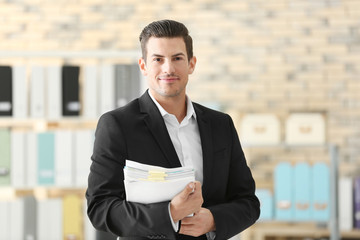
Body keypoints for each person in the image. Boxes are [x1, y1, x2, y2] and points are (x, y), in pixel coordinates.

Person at [86, 19, 260, 240]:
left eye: (177, 58)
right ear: (143, 66)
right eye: (158, 59)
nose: (168, 68)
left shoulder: (220, 124)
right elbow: (100, 208)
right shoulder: (118, 125)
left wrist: (214, 220)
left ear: (191, 64)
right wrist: (170, 213)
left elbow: (248, 202)